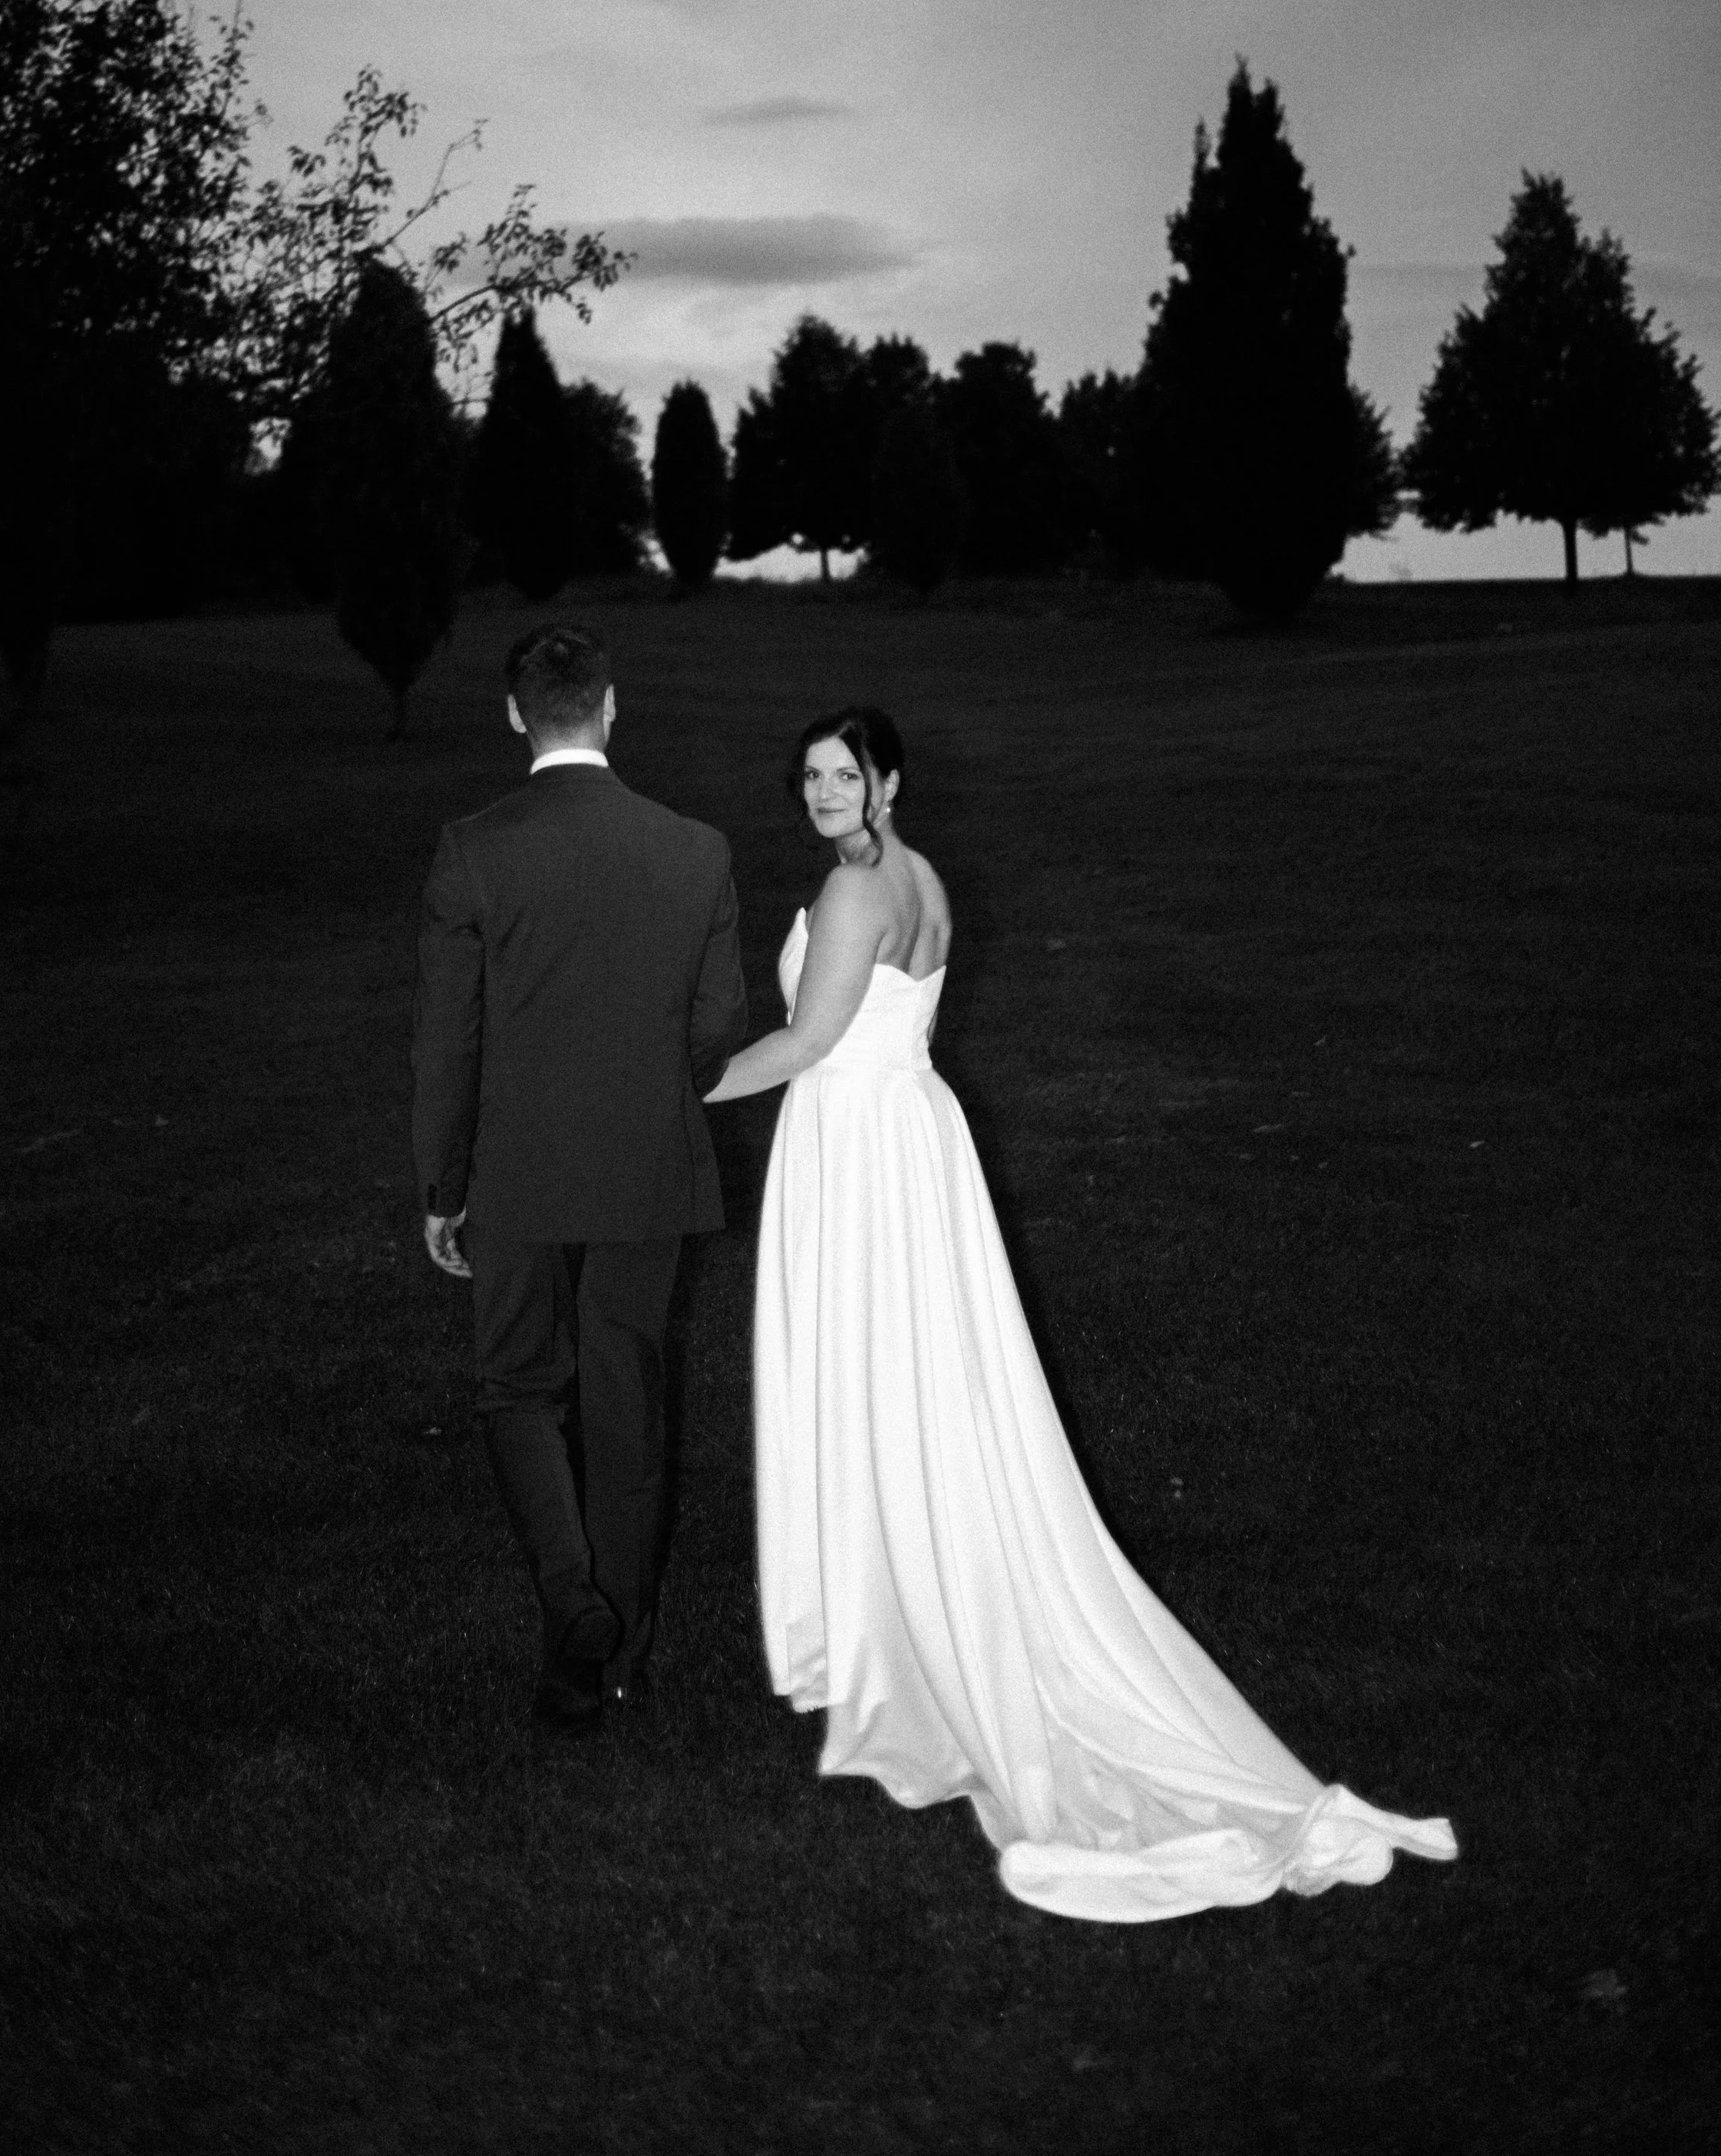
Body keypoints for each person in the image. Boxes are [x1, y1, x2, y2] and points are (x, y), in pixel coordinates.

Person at [707, 704, 1456, 1921]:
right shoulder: (923, 877)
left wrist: (666, 1090)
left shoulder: (852, 897)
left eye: (845, 773)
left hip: (858, 1151)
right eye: (809, 775)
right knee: (922, 1387)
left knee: (877, 1382)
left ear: (888, 778)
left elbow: (805, 1040)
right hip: (907, 1141)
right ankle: (900, 1593)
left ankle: (908, 1625)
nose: (823, 792)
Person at [413, 624, 746, 1732]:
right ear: (611, 707)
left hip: (513, 1170)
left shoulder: (472, 849)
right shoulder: (695, 849)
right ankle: (621, 1656)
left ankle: (573, 1603)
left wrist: (440, 1181)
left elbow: (447, 1040)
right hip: (647, 1163)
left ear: (516, 715)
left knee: (517, 1386)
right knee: (624, 1398)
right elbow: (718, 1025)